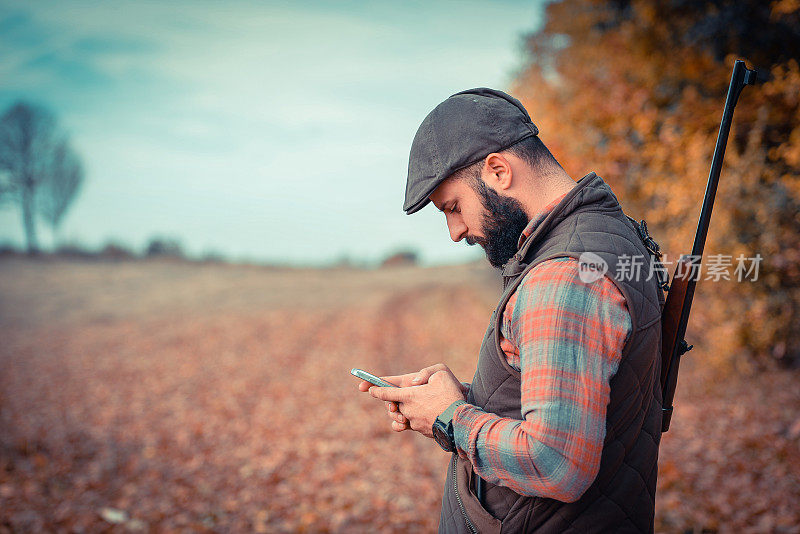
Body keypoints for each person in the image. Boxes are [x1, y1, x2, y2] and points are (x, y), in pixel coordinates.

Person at [356, 88, 665, 533]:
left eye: (454, 207)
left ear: (499, 171)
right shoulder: (607, 236)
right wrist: (456, 400)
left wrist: (449, 418)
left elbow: (556, 461)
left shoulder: (563, 277)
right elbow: (580, 396)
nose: (455, 231)